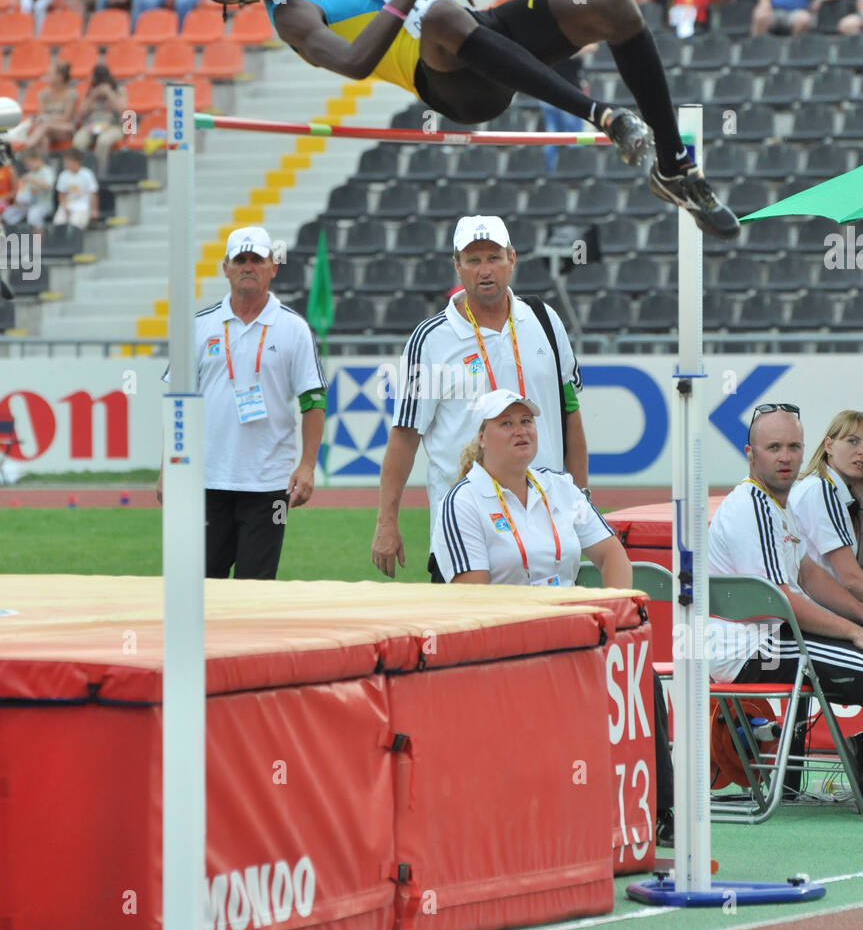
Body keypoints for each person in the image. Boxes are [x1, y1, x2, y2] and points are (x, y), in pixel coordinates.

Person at [195, 0, 740, 239]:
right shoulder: (291, 15)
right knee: (442, 20)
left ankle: (671, 166)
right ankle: (604, 116)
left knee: (609, 1)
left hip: (483, 34)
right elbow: (357, 63)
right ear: (241, 3)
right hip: (450, 81)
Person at [431, 386, 676, 846]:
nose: (520, 430)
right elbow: (473, 600)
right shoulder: (464, 502)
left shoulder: (557, 486)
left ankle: (659, 812)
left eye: (526, 421)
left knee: (643, 677)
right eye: (506, 424)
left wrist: (617, 615)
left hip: (576, 633)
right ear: (483, 437)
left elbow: (612, 555)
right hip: (510, 642)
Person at [371, 213, 589, 580]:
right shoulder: (430, 339)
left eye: (493, 258)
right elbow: (405, 436)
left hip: (548, 528)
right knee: (467, 636)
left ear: (512, 259)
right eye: (473, 260)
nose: (484, 270)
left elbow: (571, 416)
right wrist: (385, 522)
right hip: (466, 534)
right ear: (457, 266)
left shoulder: (545, 320)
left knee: (554, 636)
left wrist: (582, 501)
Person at [157, 226, 327, 581]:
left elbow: (313, 401)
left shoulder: (294, 328)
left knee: (256, 591)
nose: (248, 266)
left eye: (257, 259)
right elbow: (179, 404)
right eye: (240, 259)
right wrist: (168, 466)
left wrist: (307, 465)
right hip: (205, 478)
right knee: (200, 587)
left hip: (269, 483)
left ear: (273, 267)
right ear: (226, 268)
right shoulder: (199, 326)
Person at [708, 403, 863, 786]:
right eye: (774, 447)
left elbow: (810, 576)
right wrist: (852, 631)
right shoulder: (754, 506)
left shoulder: (780, 503)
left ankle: (859, 756)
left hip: (771, 639)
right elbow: (781, 600)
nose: (786, 457)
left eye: (794, 446)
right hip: (751, 648)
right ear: (751, 454)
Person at [789, 410, 863, 602]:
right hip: (819, 613)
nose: (861, 451)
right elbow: (851, 579)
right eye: (852, 441)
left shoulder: (834, 490)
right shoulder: (822, 490)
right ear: (829, 445)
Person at [72, 64, 126, 173]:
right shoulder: (91, 91)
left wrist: (109, 94)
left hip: (113, 126)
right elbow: (80, 114)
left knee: (103, 142)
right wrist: (92, 96)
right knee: (78, 141)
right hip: (92, 126)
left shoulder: (118, 90)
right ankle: (80, 173)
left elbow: (122, 111)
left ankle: (100, 173)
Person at [24, 61, 78, 152]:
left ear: (59, 77)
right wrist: (43, 119)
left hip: (65, 128)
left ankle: (24, 149)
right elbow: (41, 115)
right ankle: (43, 164)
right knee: (44, 137)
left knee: (45, 126)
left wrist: (47, 119)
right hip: (47, 128)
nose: (46, 76)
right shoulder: (44, 94)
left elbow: (66, 118)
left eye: (50, 74)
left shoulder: (71, 94)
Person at [1, 149, 55, 230]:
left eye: (28, 163)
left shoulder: (47, 171)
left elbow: (49, 185)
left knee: (33, 215)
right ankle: (11, 238)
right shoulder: (30, 173)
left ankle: (38, 241)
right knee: (8, 214)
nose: (27, 166)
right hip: (28, 203)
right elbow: (24, 192)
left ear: (37, 159)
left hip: (43, 204)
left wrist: (32, 179)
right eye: (25, 164)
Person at [53, 149, 99, 230]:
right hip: (66, 206)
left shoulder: (87, 174)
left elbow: (93, 193)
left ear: (76, 162)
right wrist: (65, 206)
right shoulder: (63, 175)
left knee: (75, 225)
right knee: (58, 223)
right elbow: (61, 194)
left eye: (68, 162)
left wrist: (94, 210)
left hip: (82, 206)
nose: (66, 164)